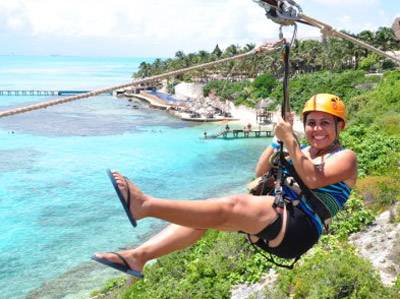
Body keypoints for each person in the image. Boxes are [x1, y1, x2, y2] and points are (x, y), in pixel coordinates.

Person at [92, 93, 357, 278]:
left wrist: (291, 141)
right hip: (280, 221)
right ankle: (139, 256)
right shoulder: (302, 151)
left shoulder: (346, 158)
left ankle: (144, 205)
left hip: (301, 227)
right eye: (311, 123)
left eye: (325, 123)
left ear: (339, 126)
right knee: (203, 216)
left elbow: (313, 179)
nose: (317, 129)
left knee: (231, 205)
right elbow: (261, 171)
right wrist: (278, 141)